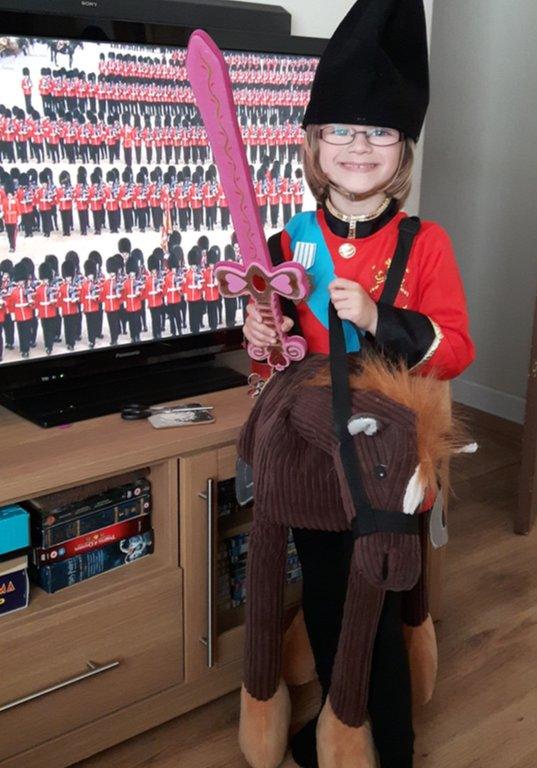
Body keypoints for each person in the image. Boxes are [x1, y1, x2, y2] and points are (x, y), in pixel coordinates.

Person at [240, 2, 475, 768]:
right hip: (312, 465)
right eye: (340, 130)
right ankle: (338, 738)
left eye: (377, 132)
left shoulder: (424, 243)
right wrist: (263, 342)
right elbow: (272, 369)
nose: (357, 146)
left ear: (400, 151)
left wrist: (380, 316)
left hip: (387, 471)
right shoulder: (282, 244)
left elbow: (455, 350)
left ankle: (386, 747)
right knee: (334, 596)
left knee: (377, 610)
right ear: (313, 144)